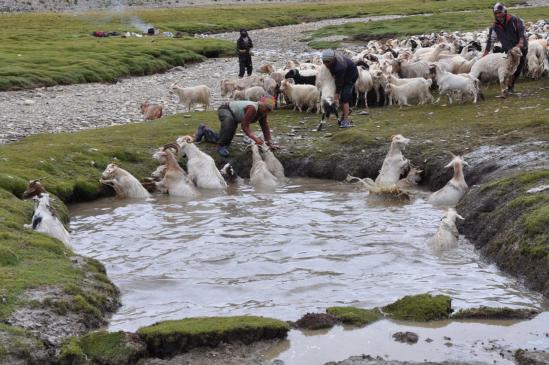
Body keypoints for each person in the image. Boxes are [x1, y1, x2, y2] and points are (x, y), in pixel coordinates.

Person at [194, 96, 279, 157]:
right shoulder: (252, 108)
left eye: (269, 110)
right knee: (228, 121)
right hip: (226, 109)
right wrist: (255, 138)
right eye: (266, 108)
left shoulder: (262, 113)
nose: (266, 111)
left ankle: (204, 131)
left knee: (225, 138)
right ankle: (220, 147)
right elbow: (244, 126)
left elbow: (265, 127)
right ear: (261, 104)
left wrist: (269, 142)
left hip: (234, 115)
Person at [483, 2, 528, 93]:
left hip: (520, 49)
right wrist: (485, 54)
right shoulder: (495, 27)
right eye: (496, 13)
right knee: (507, 68)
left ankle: (511, 86)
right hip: (507, 50)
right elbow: (491, 40)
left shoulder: (515, 20)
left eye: (500, 12)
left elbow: (521, 32)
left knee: (517, 68)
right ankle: (507, 86)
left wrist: (520, 44)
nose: (498, 15)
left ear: (504, 12)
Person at [321, 49, 359, 128]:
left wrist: (337, 94)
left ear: (332, 59)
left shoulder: (340, 67)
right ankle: (347, 111)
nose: (325, 64)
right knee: (341, 96)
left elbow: (339, 83)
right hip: (342, 74)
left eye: (327, 62)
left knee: (344, 97)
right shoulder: (331, 59)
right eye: (324, 61)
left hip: (350, 77)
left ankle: (345, 121)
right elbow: (332, 72)